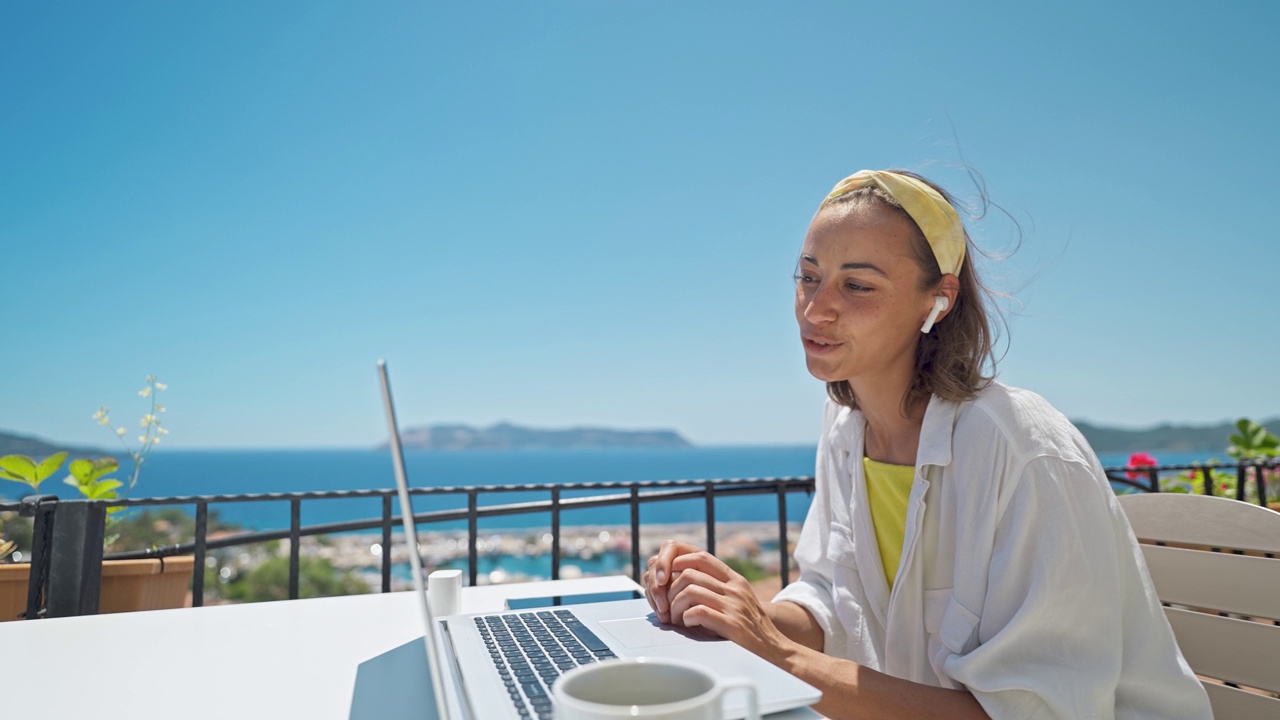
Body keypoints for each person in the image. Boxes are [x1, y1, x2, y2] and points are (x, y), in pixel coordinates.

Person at [642, 170, 1211, 719]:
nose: (815, 308)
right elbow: (830, 601)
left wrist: (777, 652)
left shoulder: (1021, 449)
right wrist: (730, 611)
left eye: (858, 285)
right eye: (808, 276)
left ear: (936, 300)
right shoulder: (845, 427)